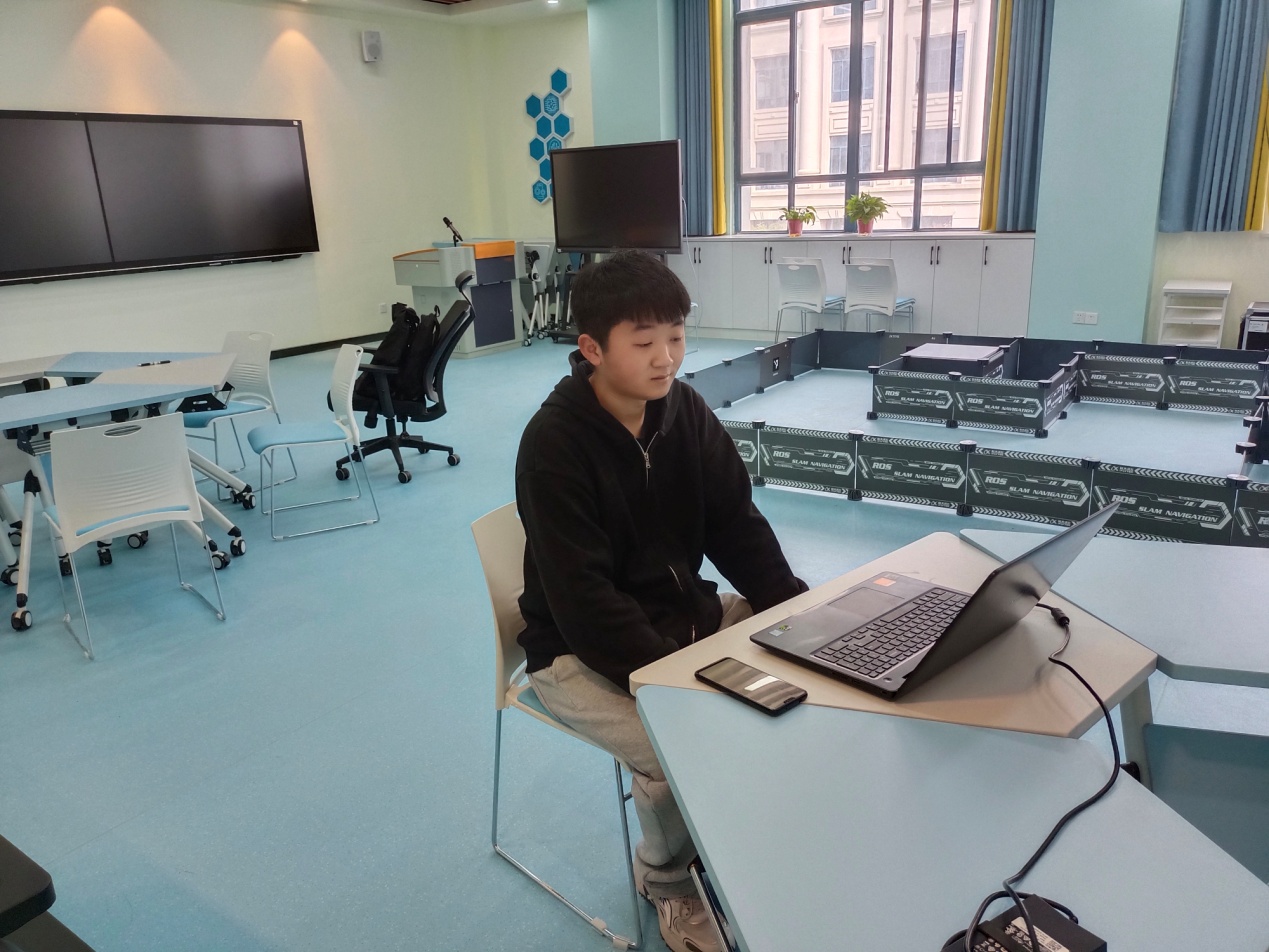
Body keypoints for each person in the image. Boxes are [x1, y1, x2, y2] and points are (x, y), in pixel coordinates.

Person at [515, 250, 807, 952]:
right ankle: (668, 880)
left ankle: (736, 835)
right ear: (592, 350)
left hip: (684, 621)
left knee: (804, 673)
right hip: (576, 654)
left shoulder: (684, 411)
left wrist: (793, 612)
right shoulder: (554, 445)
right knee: (682, 746)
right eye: (644, 342)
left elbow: (734, 524)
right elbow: (585, 603)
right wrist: (675, 686)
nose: (666, 358)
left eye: (675, 336)